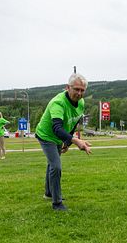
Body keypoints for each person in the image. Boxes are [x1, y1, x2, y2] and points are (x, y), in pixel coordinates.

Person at [36, 73, 92, 211]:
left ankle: (49, 193)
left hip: (59, 136)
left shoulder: (81, 103)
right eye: (76, 89)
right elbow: (56, 128)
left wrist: (68, 142)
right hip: (47, 135)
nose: (79, 93)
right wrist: (75, 140)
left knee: (52, 164)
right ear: (68, 87)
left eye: (82, 90)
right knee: (56, 166)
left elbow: (73, 123)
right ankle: (57, 203)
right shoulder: (58, 103)